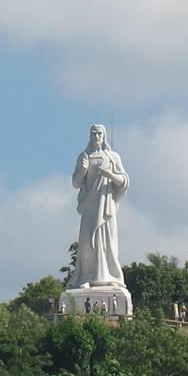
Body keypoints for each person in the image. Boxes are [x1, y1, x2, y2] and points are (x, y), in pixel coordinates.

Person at [71, 123, 130, 289]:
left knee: (108, 243)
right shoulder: (84, 156)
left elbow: (124, 181)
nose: (97, 137)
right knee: (87, 243)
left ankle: (109, 276)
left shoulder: (112, 157)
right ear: (90, 136)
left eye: (99, 134)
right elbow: (76, 182)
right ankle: (87, 277)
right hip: (89, 207)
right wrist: (83, 169)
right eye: (94, 133)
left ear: (104, 136)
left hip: (106, 207)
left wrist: (110, 174)